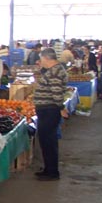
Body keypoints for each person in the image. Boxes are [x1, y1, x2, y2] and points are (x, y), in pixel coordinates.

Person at [33, 48, 69, 181]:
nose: (40, 61)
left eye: (41, 59)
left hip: (50, 110)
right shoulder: (53, 70)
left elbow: (56, 92)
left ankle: (52, 172)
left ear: (47, 58)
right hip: (47, 110)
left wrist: (61, 107)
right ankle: (49, 168)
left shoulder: (55, 72)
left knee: (49, 141)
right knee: (46, 140)